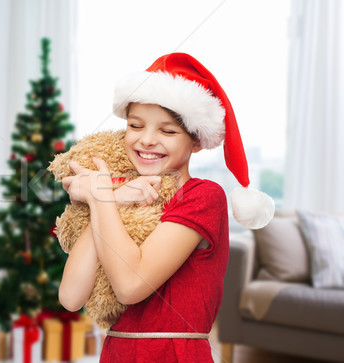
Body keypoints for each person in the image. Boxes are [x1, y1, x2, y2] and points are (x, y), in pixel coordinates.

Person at [58, 53, 273, 362]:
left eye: (168, 131)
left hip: (173, 354)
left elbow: (131, 286)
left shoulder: (203, 196)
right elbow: (70, 297)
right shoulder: (117, 198)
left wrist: (101, 195)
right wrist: (111, 199)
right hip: (116, 353)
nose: (146, 140)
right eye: (135, 125)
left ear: (196, 141)